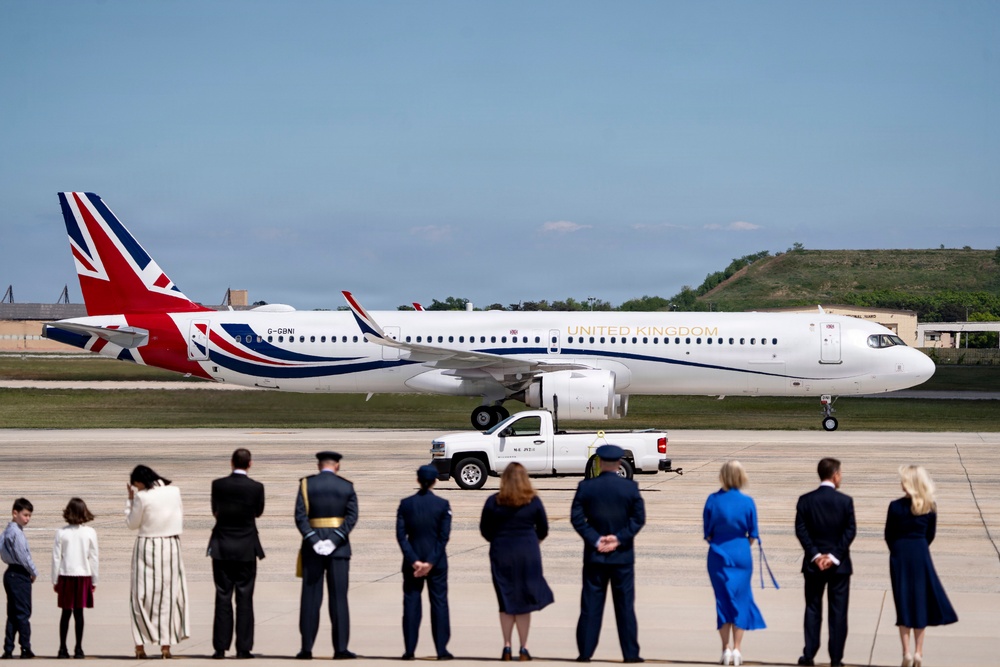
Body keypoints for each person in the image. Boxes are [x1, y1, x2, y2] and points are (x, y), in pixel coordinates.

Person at [570, 445, 646, 663]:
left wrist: (596, 539)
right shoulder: (630, 488)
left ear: (600, 463)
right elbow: (638, 519)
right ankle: (630, 654)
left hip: (595, 556)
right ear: (619, 463)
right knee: (625, 607)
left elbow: (577, 519)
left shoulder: (586, 487)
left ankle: (585, 652)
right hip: (622, 557)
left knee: (590, 606)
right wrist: (618, 539)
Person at [479, 462, 554, 661]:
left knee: (505, 599)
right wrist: (533, 541)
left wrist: (498, 539)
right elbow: (543, 529)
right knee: (523, 600)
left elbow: (485, 529)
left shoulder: (493, 501)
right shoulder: (533, 501)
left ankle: (506, 646)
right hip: (527, 553)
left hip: (502, 552)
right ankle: (524, 648)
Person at [885, 465, 957, 667]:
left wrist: (897, 550)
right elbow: (930, 534)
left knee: (903, 601)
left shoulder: (895, 506)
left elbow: (889, 534)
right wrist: (920, 547)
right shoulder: (929, 506)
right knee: (920, 602)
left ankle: (906, 652)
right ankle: (918, 651)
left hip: (900, 554)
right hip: (920, 553)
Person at [295, 451, 359, 660]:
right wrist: (334, 539)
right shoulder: (346, 486)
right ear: (337, 466)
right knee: (338, 599)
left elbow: (300, 517)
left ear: (318, 465)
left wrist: (315, 540)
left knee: (310, 599)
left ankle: (306, 648)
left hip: (312, 549)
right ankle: (340, 649)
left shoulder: (306, 484)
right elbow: (352, 517)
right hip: (339, 549)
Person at [794, 457, 856, 667]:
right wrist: (833, 556)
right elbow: (850, 531)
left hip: (813, 566)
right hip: (839, 566)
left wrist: (816, 555)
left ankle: (809, 654)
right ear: (835, 475)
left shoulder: (805, 500)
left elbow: (801, 530)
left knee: (813, 609)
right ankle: (836, 659)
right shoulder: (845, 501)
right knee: (838, 613)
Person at [703, 461, 765, 666]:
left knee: (723, 600)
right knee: (741, 599)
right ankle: (738, 649)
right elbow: (753, 534)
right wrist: (742, 546)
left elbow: (708, 533)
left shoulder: (713, 500)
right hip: (741, 553)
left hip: (719, 553)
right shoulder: (747, 502)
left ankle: (725, 649)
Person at [125, 465, 189, 659]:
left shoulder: (142, 497)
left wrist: (130, 501)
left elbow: (132, 524)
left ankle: (140, 646)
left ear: (140, 481)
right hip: (171, 544)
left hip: (147, 545)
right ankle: (165, 646)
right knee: (169, 594)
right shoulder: (174, 491)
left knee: (140, 595)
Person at [208, 448, 266, 659]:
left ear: (231, 462)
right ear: (250, 464)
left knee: (222, 596)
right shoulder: (256, 487)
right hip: (246, 547)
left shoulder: (218, 485)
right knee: (245, 598)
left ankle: (220, 647)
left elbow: (215, 510)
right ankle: (244, 648)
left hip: (222, 546)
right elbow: (258, 512)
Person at [396, 465, 453, 661]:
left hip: (412, 562)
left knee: (411, 604)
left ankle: (409, 650)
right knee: (439, 603)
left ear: (418, 481)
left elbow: (401, 536)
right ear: (435, 481)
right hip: (436, 563)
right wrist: (430, 562)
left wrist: (414, 560)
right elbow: (443, 537)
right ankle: (441, 650)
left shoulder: (406, 504)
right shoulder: (442, 505)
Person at [51, 498, 99, 659]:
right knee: (79, 613)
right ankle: (78, 648)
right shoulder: (90, 532)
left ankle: (62, 648)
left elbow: (56, 558)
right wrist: (94, 579)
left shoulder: (61, 532)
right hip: (83, 575)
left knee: (65, 613)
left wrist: (55, 579)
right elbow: (94, 558)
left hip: (66, 574)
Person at [1, 498, 37, 660]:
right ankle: (25, 648)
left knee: (13, 614)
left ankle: (8, 648)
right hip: (19, 574)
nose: (27, 519)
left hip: (10, 573)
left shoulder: (6, 532)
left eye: (29, 516)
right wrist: (33, 572)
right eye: (25, 515)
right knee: (23, 612)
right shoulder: (17, 533)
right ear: (15, 513)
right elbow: (24, 557)